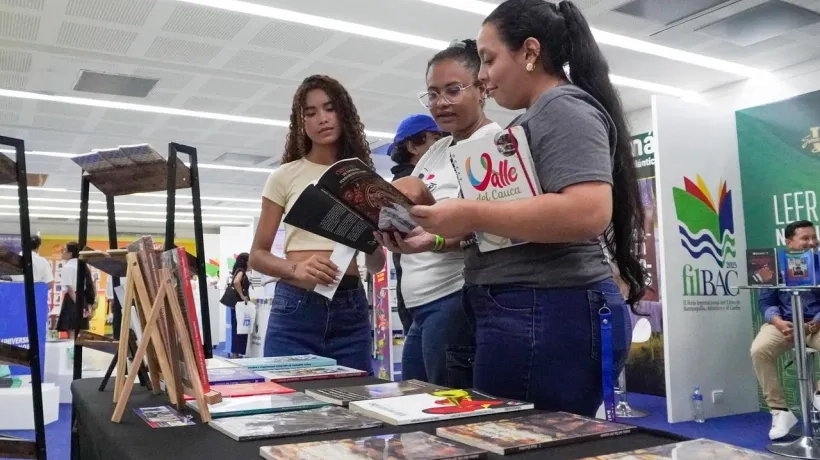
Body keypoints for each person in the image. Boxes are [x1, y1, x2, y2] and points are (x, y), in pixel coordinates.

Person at [411, 0, 645, 416]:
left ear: (531, 52)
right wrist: (439, 234)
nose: (482, 76)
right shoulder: (533, 119)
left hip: (546, 309)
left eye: (488, 60)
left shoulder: (563, 109)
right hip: (528, 308)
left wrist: (470, 212)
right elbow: (520, 221)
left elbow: (587, 212)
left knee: (526, 436)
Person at [376, 39, 499, 388]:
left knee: (448, 418)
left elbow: (493, 231)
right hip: (418, 306)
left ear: (482, 89)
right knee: (417, 407)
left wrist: (436, 239)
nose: (440, 103)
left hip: (454, 300)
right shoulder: (438, 148)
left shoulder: (494, 144)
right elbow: (415, 209)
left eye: (453, 90)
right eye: (432, 93)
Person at [249, 75, 385, 373]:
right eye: (310, 113)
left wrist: (375, 240)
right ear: (301, 123)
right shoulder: (284, 176)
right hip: (296, 307)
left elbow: (375, 265)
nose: (322, 119)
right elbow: (257, 255)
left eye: (329, 108)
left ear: (343, 114)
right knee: (287, 406)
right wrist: (295, 268)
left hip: (350, 308)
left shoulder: (363, 179)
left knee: (352, 407)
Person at [751, 220, 820, 440]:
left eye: (814, 237)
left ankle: (819, 392)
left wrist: (811, 325)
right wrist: (779, 322)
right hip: (785, 325)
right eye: (805, 238)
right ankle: (780, 411)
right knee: (759, 350)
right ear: (789, 242)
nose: (812, 243)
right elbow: (766, 302)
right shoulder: (773, 267)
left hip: (815, 324)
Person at [387, 114, 443, 335]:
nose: (443, 144)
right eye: (435, 138)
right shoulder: (410, 186)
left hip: (410, 292)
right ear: (412, 146)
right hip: (434, 290)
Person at [56, 242, 94, 339]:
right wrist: (87, 306)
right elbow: (90, 286)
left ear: (70, 253)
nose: (62, 252)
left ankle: (72, 354)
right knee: (79, 334)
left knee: (72, 332)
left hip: (73, 301)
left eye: (64, 250)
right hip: (82, 298)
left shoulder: (68, 266)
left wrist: (80, 306)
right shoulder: (82, 265)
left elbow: (70, 289)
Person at [226, 253, 251, 358]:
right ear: (245, 261)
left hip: (235, 304)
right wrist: (242, 296)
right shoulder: (241, 271)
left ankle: (235, 353)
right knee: (239, 329)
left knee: (236, 328)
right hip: (239, 304)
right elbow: (236, 282)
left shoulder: (238, 270)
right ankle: (235, 354)